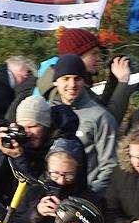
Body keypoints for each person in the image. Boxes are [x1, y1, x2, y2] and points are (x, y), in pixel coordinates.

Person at [47, 54, 118, 193]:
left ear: (84, 81)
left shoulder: (101, 117)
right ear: (55, 81)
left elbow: (110, 166)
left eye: (77, 79)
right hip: (50, 196)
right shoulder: (47, 113)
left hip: (85, 197)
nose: (72, 84)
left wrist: (89, 196)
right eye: (66, 79)